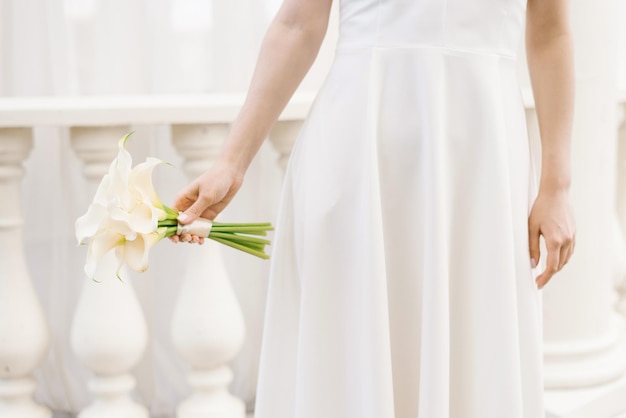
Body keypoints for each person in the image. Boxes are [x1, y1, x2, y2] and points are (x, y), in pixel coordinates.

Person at [172, 0, 576, 416]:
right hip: (358, 156)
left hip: (481, 167)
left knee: (476, 346)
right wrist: (230, 164)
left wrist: (557, 186)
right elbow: (297, 24)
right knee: (349, 352)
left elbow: (551, 33)